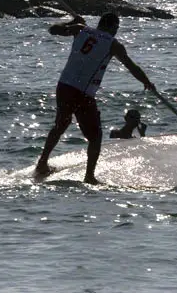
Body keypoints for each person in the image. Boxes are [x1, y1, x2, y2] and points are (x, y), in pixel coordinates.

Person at [35, 13, 154, 184]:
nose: (117, 30)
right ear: (113, 26)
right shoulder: (113, 44)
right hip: (82, 92)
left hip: (64, 86)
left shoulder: (80, 30)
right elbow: (131, 65)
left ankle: (42, 163)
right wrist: (146, 81)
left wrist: (73, 23)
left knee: (60, 125)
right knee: (95, 136)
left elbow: (53, 30)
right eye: (117, 27)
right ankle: (89, 176)